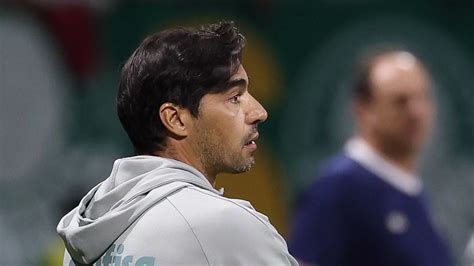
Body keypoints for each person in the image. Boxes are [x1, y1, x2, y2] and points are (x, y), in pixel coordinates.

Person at [57, 21, 297, 266]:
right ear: (175, 119)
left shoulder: (84, 236)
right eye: (234, 97)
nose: (259, 111)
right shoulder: (226, 226)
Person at [289, 48, 452, 266]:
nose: (417, 112)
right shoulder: (337, 189)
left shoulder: (411, 189)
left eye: (422, 97)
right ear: (363, 110)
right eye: (400, 101)